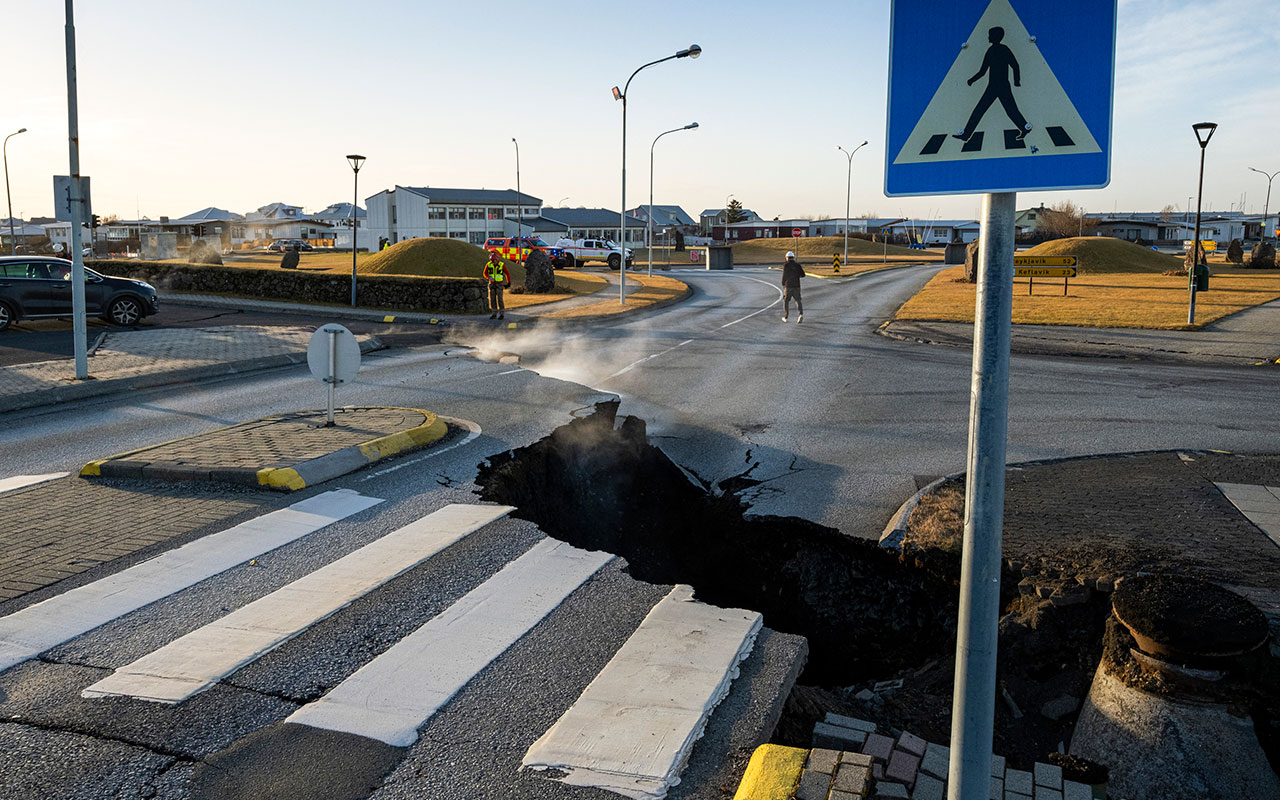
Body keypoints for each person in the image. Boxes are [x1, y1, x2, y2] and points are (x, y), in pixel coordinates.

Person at [954, 26, 1031, 143]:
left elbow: (1015, 65)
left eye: (991, 35)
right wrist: (972, 80)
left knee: (1009, 110)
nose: (988, 37)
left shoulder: (1003, 49)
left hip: (1002, 86)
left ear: (996, 37)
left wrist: (1017, 81)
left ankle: (1024, 127)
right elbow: (983, 71)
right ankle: (966, 135)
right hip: (993, 86)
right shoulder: (991, 51)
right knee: (980, 110)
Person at [483, 250, 511, 319]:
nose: (493, 263)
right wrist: (489, 277)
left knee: (500, 299)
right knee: (492, 300)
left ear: (497, 259)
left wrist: (508, 282)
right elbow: (484, 273)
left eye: (494, 261)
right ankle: (494, 313)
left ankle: (502, 314)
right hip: (492, 284)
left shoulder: (501, 265)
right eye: (492, 261)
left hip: (499, 284)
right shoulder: (488, 264)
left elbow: (507, 273)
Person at [781, 251, 804, 323]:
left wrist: (783, 283)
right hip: (797, 285)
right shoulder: (797, 265)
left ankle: (786, 317)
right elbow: (803, 274)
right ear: (793, 257)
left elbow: (784, 275)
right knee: (798, 300)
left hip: (788, 286)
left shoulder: (786, 265)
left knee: (786, 301)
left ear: (787, 258)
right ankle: (800, 314)